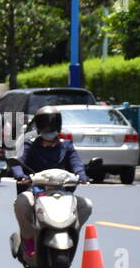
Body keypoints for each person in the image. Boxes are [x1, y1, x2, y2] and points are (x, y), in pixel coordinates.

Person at [9, 108, 93, 258]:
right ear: (38, 126)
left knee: (86, 204)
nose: (49, 127)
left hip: (63, 192)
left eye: (53, 122)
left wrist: (82, 176)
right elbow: (17, 161)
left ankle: (72, 232)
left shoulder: (66, 145)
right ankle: (28, 239)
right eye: (45, 123)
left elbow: (77, 163)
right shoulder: (29, 145)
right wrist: (20, 175)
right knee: (22, 203)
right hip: (35, 191)